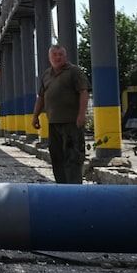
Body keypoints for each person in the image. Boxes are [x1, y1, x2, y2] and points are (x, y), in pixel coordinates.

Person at [31, 44, 90, 184]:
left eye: (60, 54)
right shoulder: (46, 75)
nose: (57, 57)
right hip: (53, 124)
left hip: (72, 123)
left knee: (73, 157)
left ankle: (74, 189)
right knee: (57, 158)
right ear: (49, 57)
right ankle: (61, 187)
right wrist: (35, 116)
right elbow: (41, 97)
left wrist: (82, 114)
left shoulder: (74, 72)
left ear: (65, 56)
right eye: (54, 55)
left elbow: (83, 92)